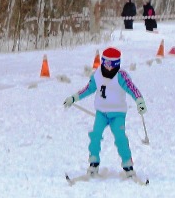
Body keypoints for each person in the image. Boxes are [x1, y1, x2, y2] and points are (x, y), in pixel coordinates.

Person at [62, 47, 146, 177]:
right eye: (104, 63)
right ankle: (93, 162)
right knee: (95, 135)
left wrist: (139, 101)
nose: (106, 67)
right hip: (101, 113)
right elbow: (88, 89)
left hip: (117, 114)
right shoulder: (97, 75)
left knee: (120, 137)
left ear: (116, 64)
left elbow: (132, 89)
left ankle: (127, 164)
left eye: (109, 64)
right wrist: (74, 98)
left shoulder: (121, 76)